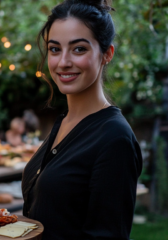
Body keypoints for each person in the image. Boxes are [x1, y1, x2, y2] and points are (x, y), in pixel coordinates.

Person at [22, 1, 143, 240]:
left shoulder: (114, 138)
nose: (63, 62)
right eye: (55, 49)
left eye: (79, 49)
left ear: (107, 54)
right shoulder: (64, 122)